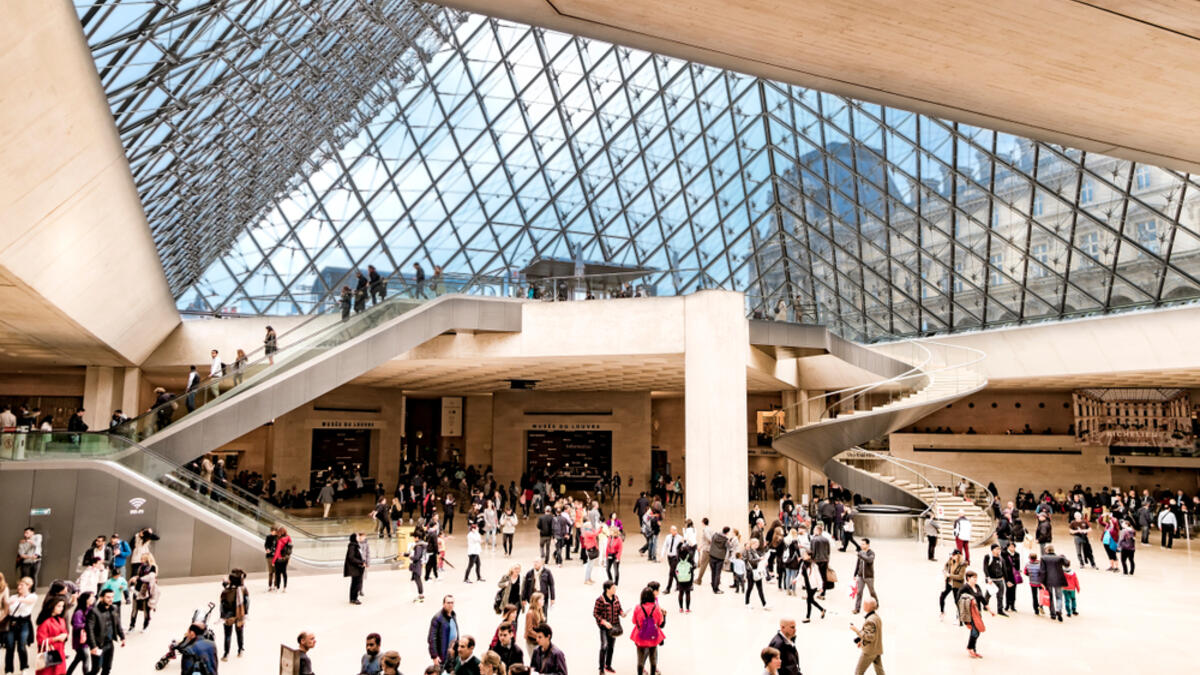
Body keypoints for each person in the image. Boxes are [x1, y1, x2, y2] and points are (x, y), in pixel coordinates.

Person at [85, 587, 124, 675]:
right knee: (96, 669)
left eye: (112, 597)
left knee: (107, 668)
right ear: (101, 598)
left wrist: (122, 636)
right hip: (99, 645)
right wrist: (93, 646)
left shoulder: (114, 608)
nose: (111, 599)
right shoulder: (94, 611)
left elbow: (117, 624)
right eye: (108, 597)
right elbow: (89, 630)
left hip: (109, 644)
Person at [957, 571, 992, 659]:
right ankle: (970, 648)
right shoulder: (964, 588)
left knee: (977, 630)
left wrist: (990, 610)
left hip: (978, 612)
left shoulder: (977, 586)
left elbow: (983, 599)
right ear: (968, 578)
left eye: (976, 577)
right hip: (969, 613)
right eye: (974, 577)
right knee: (975, 630)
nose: (976, 579)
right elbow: (958, 599)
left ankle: (973, 649)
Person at [630, 587, 664, 675]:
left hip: (640, 636)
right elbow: (660, 622)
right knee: (653, 657)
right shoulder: (656, 608)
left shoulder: (638, 607)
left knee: (640, 659)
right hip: (653, 636)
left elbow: (634, 621)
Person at [593, 580, 624, 674]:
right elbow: (595, 613)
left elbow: (619, 608)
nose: (615, 589)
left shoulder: (616, 598)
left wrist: (622, 613)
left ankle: (608, 665)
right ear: (607, 589)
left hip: (614, 626)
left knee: (611, 646)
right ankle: (601, 669)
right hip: (604, 627)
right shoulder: (600, 600)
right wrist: (603, 622)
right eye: (613, 588)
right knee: (604, 646)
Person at [218, 569, 249, 661]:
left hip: (229, 615)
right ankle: (240, 650)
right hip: (240, 615)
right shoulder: (243, 589)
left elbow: (222, 603)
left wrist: (222, 615)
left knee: (228, 635)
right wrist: (245, 612)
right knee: (239, 633)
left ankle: (226, 654)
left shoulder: (226, 591)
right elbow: (247, 601)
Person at [34, 594, 68, 675]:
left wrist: (65, 636)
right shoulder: (45, 623)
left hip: (60, 653)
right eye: (59, 606)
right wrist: (57, 638)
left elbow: (64, 632)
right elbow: (41, 641)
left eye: (62, 606)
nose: (61, 608)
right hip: (49, 655)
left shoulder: (61, 619)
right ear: (52, 606)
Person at [849, 598, 883, 675]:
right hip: (876, 648)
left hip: (869, 651)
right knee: (880, 672)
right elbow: (873, 634)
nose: (863, 606)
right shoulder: (876, 617)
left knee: (858, 672)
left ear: (868, 607)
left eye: (864, 604)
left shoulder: (870, 620)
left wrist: (856, 630)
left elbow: (869, 637)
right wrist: (861, 641)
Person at [128, 552, 158, 632]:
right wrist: (135, 578)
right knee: (134, 609)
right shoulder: (141, 567)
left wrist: (138, 579)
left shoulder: (152, 567)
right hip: (137, 589)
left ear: (147, 559)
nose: (141, 560)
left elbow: (150, 577)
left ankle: (145, 626)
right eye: (141, 558)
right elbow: (140, 576)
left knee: (146, 610)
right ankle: (132, 626)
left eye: (143, 559)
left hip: (146, 591)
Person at [66, 591, 93, 675]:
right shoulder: (79, 612)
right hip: (80, 640)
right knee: (86, 658)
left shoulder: (90, 609)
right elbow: (76, 625)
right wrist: (88, 624)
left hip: (85, 639)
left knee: (78, 659)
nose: (93, 598)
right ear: (86, 599)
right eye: (91, 597)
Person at [428, 595, 459, 668]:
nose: (450, 605)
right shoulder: (437, 618)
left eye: (452, 603)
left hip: (453, 652)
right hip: (443, 655)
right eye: (448, 603)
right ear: (443, 604)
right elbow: (432, 639)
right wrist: (434, 656)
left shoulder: (453, 615)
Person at [1039, 544, 1067, 622]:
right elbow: (1067, 564)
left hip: (1048, 580)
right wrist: (1064, 557)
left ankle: (1053, 614)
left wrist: (1041, 581)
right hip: (1058, 580)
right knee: (1059, 597)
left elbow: (1042, 571)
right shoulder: (1059, 557)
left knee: (1050, 597)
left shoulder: (1043, 558)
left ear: (1046, 550)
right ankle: (1059, 609)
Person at [982, 544, 1008, 617]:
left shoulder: (1001, 559)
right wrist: (988, 578)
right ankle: (985, 605)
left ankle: (1000, 610)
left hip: (1000, 579)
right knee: (988, 594)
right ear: (992, 550)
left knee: (1000, 596)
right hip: (991, 580)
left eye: (999, 549)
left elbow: (1004, 569)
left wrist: (1007, 580)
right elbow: (985, 568)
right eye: (997, 549)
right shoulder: (988, 557)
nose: (998, 550)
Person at [852, 539, 877, 614]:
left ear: (868, 545)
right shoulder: (861, 553)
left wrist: (862, 555)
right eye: (861, 544)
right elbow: (858, 564)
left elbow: (869, 560)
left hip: (869, 576)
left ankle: (876, 604)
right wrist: (855, 574)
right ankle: (857, 608)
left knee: (872, 592)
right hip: (860, 576)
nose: (861, 545)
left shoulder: (871, 553)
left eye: (863, 544)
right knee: (859, 592)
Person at [799, 549, 824, 622]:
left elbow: (818, 576)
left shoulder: (814, 566)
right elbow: (800, 573)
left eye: (805, 554)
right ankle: (822, 610)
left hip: (813, 585)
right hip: (807, 584)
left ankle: (808, 617)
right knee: (811, 600)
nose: (803, 555)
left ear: (809, 556)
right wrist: (796, 580)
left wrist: (820, 587)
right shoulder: (803, 563)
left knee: (809, 600)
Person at [708, 526, 730, 594]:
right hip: (720, 558)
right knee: (718, 573)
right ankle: (716, 589)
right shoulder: (726, 540)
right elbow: (729, 547)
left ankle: (713, 585)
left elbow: (711, 541)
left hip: (712, 555)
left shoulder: (715, 535)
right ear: (727, 532)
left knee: (713, 572)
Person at [660, 526, 683, 593]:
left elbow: (683, 547)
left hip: (675, 557)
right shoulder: (668, 537)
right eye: (673, 530)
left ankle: (668, 589)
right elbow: (665, 546)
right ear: (670, 531)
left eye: (675, 530)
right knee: (674, 572)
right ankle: (679, 584)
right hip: (669, 556)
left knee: (671, 573)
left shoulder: (680, 538)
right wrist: (662, 555)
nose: (674, 532)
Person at [523, 593, 546, 658]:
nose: (543, 601)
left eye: (543, 599)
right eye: (541, 599)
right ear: (536, 601)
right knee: (535, 661)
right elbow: (529, 630)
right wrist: (540, 637)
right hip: (532, 642)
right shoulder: (530, 613)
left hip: (538, 642)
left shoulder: (540, 611)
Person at [673, 546, 694, 613]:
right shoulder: (689, 557)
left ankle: (681, 608)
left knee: (681, 593)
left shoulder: (678, 557)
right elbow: (693, 566)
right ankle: (687, 609)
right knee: (688, 593)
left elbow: (675, 569)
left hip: (680, 578)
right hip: (688, 578)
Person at [272, 526, 292, 592]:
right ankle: (284, 588)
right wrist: (288, 558)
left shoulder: (279, 540)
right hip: (285, 559)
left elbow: (277, 552)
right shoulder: (288, 537)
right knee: (284, 573)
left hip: (279, 560)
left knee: (278, 574)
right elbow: (290, 548)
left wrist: (273, 561)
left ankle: (278, 588)